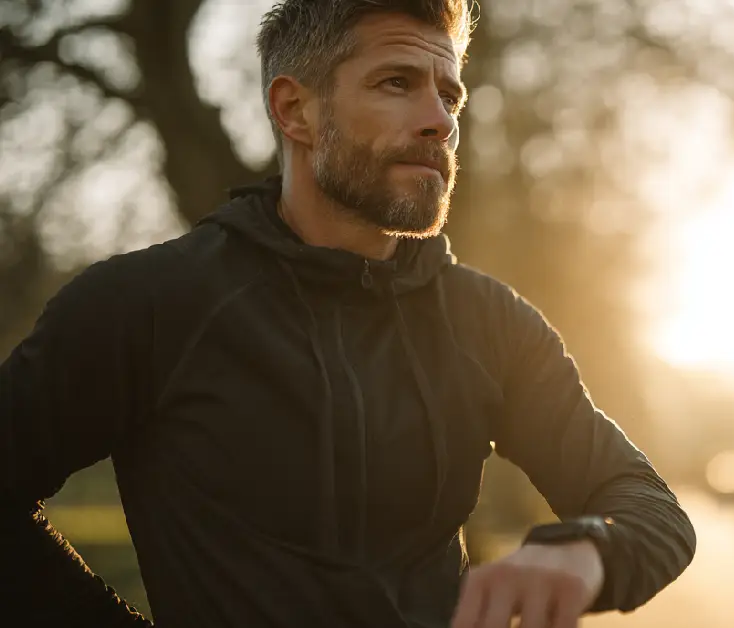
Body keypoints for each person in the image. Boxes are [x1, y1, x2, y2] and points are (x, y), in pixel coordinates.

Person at [0, 1, 696, 626]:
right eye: (397, 83)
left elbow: (650, 507)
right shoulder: (147, 304)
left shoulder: (493, 324)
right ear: (294, 110)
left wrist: (588, 549)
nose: (441, 120)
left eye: (450, 93)